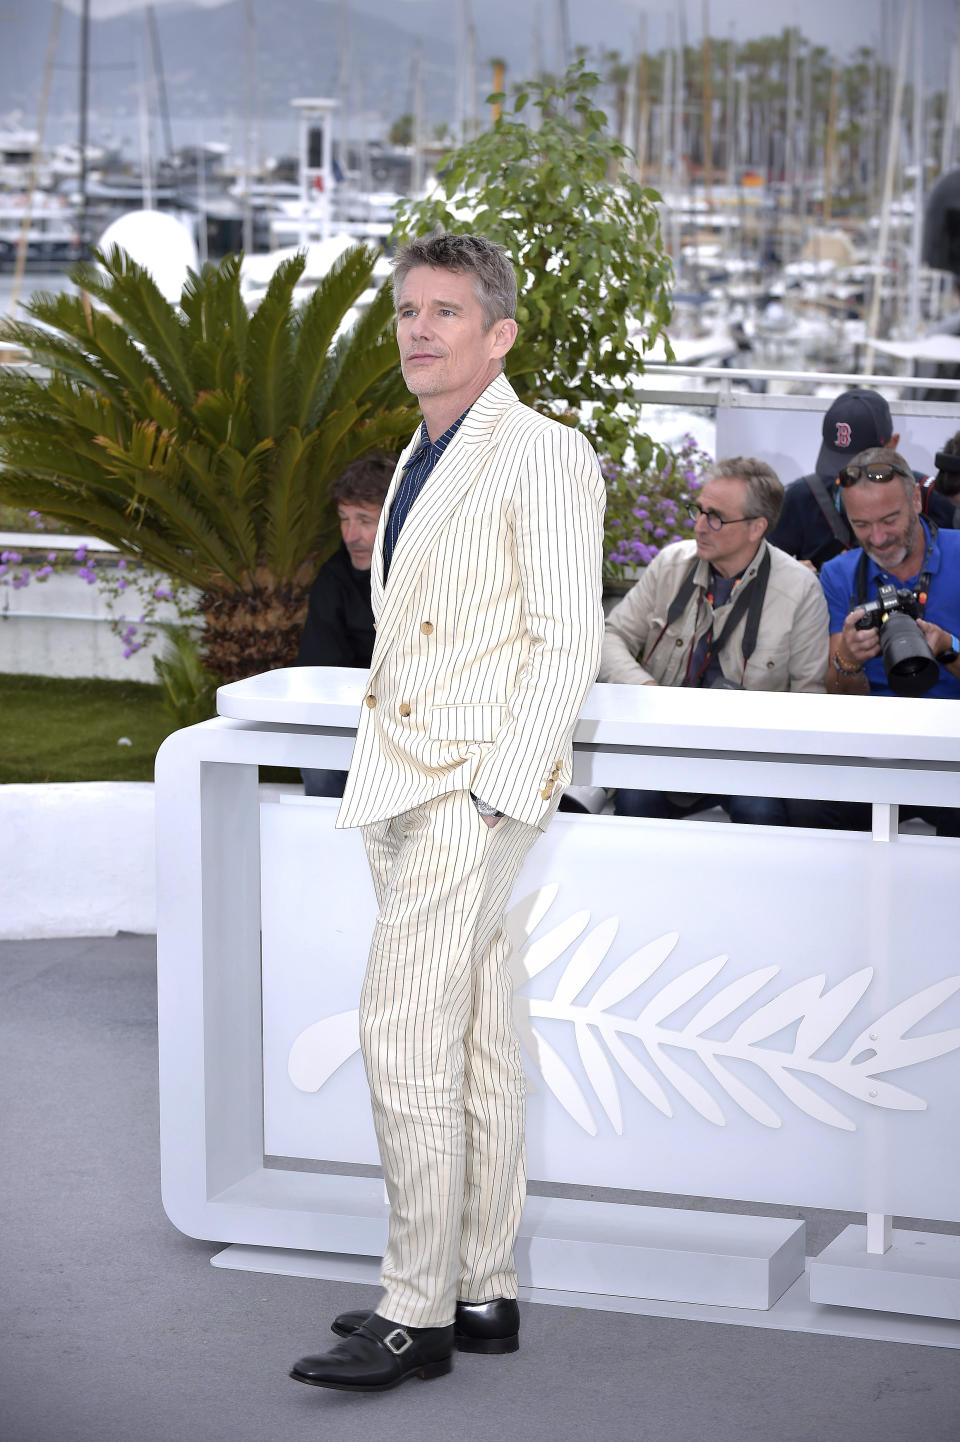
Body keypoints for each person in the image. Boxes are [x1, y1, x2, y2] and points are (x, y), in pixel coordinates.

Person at [289, 233, 605, 1392]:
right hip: (404, 779)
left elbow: (566, 638)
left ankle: (410, 1310)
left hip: (472, 785)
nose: (420, 329)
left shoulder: (544, 453)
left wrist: (490, 791)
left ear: (500, 333)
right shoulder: (421, 455)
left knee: (401, 1029)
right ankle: (482, 1288)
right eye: (409, 309)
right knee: (470, 1036)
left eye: (447, 312)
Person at [600, 457, 829, 826]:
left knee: (760, 812)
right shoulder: (671, 564)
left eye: (716, 517)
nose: (700, 526)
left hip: (750, 756)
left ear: (757, 527)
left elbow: (810, 698)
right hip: (665, 744)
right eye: (699, 510)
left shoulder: (800, 591)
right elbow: (609, 636)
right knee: (634, 800)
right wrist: (646, 689)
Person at [787, 446, 960, 835]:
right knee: (807, 807)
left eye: (890, 519)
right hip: (874, 745)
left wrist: (948, 647)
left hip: (954, 742)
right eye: (861, 524)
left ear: (916, 499)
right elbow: (841, 695)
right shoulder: (839, 573)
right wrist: (849, 658)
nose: (878, 538)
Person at [768, 387, 958, 568]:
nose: (851, 476)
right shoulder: (800, 498)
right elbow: (765, 568)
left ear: (893, 444)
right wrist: (792, 574)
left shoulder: (933, 498)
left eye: (890, 519)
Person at [296, 452, 395, 797]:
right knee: (319, 762)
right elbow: (316, 674)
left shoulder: (443, 572)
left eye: (365, 521)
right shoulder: (334, 578)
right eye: (343, 518)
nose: (351, 535)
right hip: (350, 720)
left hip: (432, 719)